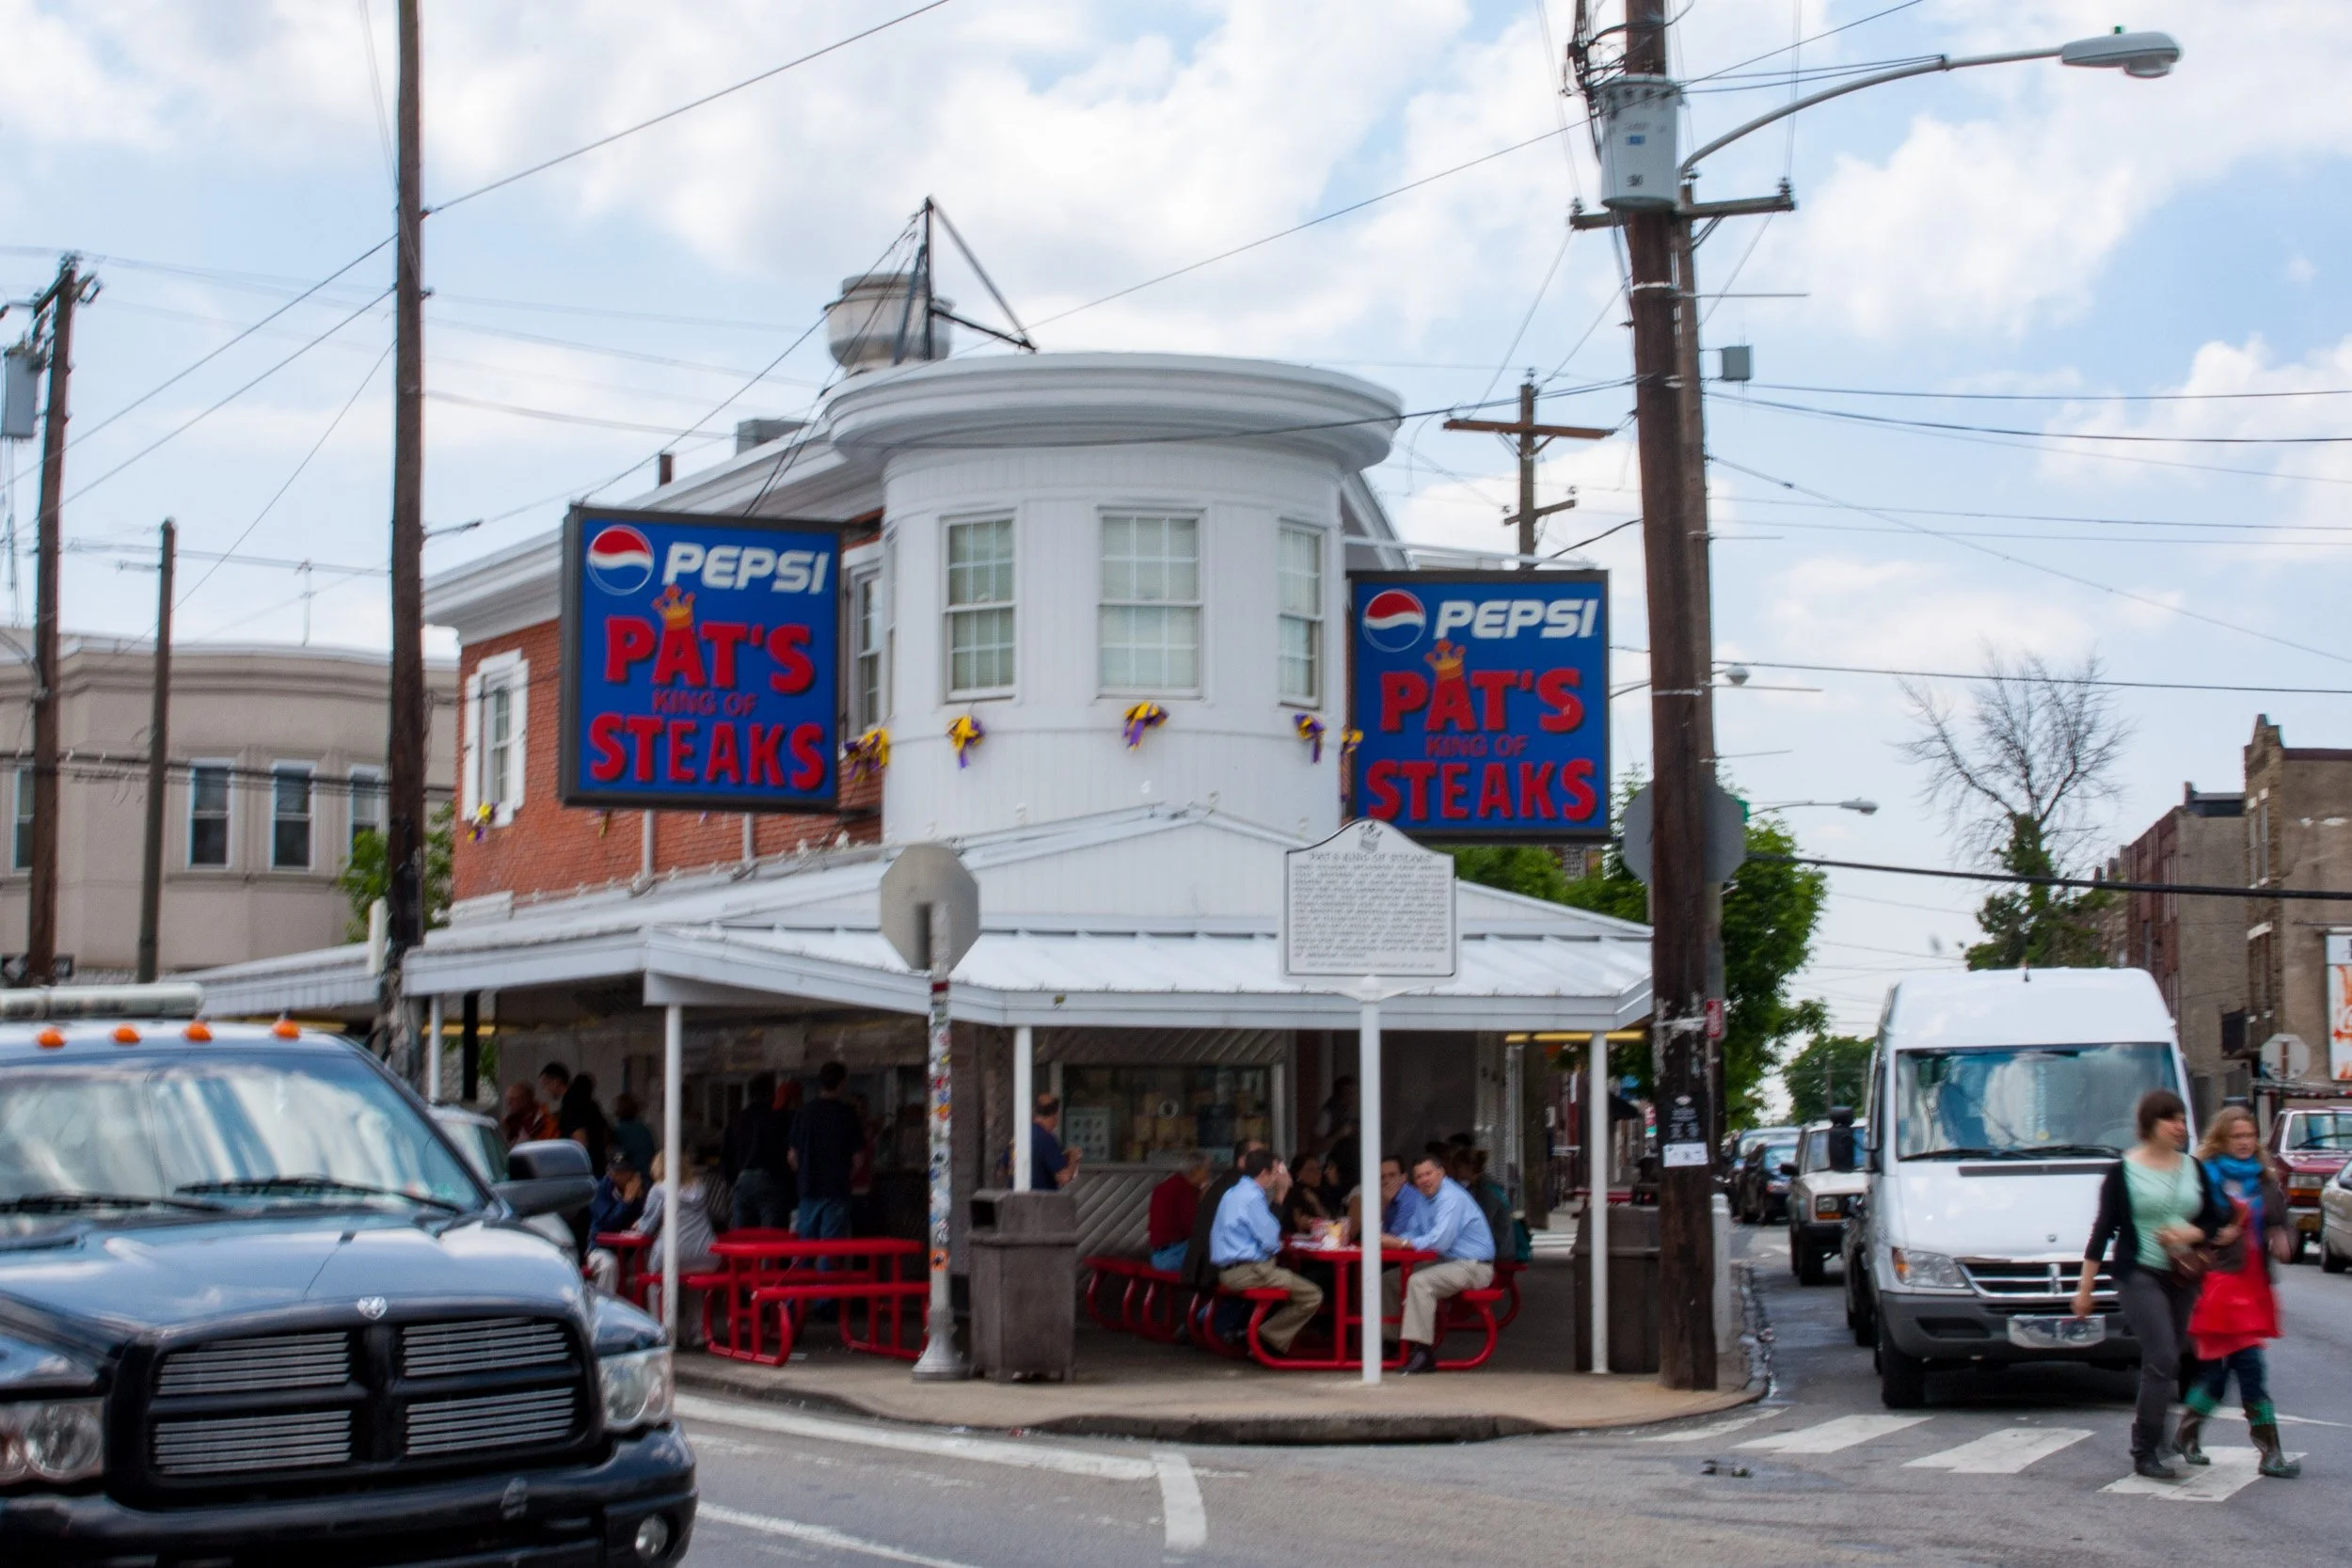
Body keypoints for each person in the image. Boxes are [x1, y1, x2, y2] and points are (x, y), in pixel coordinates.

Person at [2073, 1087, 2231, 1481]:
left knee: (2172, 1356)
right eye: (2170, 1119)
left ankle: (2155, 1436)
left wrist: (2189, 1234)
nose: (2180, 1126)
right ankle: (2144, 1449)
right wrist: (2085, 1288)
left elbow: (2215, 1220)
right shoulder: (2122, 1172)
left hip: (2182, 1273)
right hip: (2138, 1271)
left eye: (2181, 1118)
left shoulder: (2193, 1168)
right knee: (2160, 1355)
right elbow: (2102, 1231)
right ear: (2150, 1125)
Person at [2174, 1106, 2298, 1478]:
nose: (2244, 1143)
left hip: (2252, 1285)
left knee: (2227, 1372)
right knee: (2239, 1369)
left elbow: (2280, 1224)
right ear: (2222, 1140)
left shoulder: (2264, 1180)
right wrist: (2214, 1235)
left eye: (2249, 1136)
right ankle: (2269, 1453)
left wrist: (2282, 1240)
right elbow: (2188, 1224)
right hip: (2218, 1284)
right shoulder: (2203, 1176)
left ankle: (2191, 1434)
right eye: (2237, 1137)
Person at [1381, 1152, 1496, 1375]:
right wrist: (1399, 1240)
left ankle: (1423, 1353)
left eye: (1428, 1174)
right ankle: (1392, 1341)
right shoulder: (1423, 1199)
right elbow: (1415, 1231)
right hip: (1449, 1262)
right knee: (1389, 1280)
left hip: (1474, 1266)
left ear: (1441, 1173)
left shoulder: (1451, 1198)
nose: (1424, 1180)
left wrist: (1402, 1243)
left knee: (1420, 1282)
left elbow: (1440, 1241)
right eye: (1419, 1177)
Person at [1209, 1149, 1324, 1355]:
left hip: (1230, 1269)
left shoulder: (1233, 1192)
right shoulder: (1252, 1197)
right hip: (1250, 1271)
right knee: (1312, 1295)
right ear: (1264, 1173)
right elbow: (1271, 1241)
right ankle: (1267, 1337)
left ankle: (1262, 1335)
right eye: (1277, 1171)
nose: (1280, 1176)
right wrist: (1280, 1195)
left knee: (1289, 1282)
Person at [791, 1062, 866, 1240]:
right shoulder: (848, 1114)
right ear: (842, 1083)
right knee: (830, 1251)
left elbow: (792, 1156)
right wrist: (845, 1176)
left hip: (808, 1188)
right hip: (837, 1190)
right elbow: (859, 1159)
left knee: (804, 1250)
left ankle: (804, 1269)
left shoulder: (804, 1113)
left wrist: (804, 1174)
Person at [1184, 1139, 1268, 1290]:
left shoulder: (1226, 1182)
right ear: (1242, 1161)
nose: (1266, 1162)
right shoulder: (1240, 1188)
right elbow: (1265, 1234)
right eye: (1259, 1157)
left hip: (1203, 1265)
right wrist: (1280, 1196)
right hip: (1218, 1269)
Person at [723, 1072, 797, 1231]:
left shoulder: (737, 1119)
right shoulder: (778, 1118)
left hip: (742, 1179)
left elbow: (726, 1157)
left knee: (743, 1237)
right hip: (771, 1179)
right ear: (770, 1094)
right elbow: (788, 1154)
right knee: (772, 1239)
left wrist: (735, 1180)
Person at [1148, 1153, 1212, 1272]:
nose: (1208, 1176)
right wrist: (1205, 1200)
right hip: (1172, 1255)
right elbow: (1194, 1228)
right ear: (1195, 1171)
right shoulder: (1185, 1191)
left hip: (1157, 1255)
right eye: (1206, 1171)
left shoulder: (1167, 1186)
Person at [1343, 1155, 1425, 1244]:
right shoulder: (1387, 1198)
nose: (1386, 1180)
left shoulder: (1411, 1198)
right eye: (1382, 1177)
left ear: (1403, 1178)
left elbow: (1393, 1238)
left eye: (1392, 1175)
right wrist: (1383, 1204)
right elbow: (1373, 1236)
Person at [557, 1070, 612, 1173]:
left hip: (582, 1162)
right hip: (598, 1159)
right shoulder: (593, 1106)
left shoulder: (571, 1104)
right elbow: (605, 1133)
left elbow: (580, 1137)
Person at [587, 1151, 646, 1241]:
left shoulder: (642, 1186)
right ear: (609, 1171)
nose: (620, 1176)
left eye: (625, 1172)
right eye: (617, 1172)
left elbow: (646, 1220)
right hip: (604, 1245)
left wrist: (641, 1199)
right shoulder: (599, 1189)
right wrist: (626, 1202)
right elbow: (608, 1226)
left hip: (632, 1245)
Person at [1030, 1094, 1080, 1190]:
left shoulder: (1020, 1136)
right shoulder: (1047, 1139)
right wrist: (1074, 1158)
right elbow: (1064, 1178)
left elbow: (1001, 1171)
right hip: (1039, 1201)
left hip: (1014, 1200)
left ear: (1035, 1112)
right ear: (1055, 1115)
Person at [1282, 1154, 1331, 1234]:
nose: (1317, 1173)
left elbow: (1330, 1221)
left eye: (1319, 1169)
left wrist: (1315, 1203)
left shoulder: (1324, 1191)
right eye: (1311, 1170)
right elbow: (1299, 1223)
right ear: (1299, 1173)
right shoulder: (1294, 1192)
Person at [611, 1092, 656, 1174]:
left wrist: (611, 1161)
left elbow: (620, 1156)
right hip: (649, 1174)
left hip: (633, 1176)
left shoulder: (620, 1131)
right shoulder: (645, 1129)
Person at [501, 1081, 554, 1146]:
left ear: (526, 1100)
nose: (508, 1103)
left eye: (513, 1099)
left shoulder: (546, 1121)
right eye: (507, 1099)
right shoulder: (508, 1122)